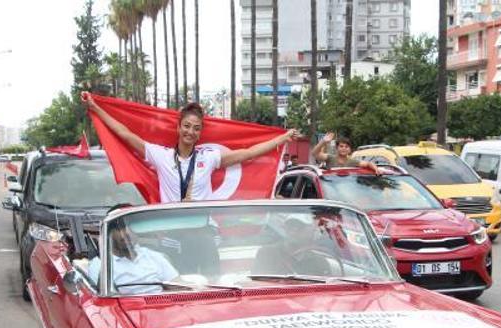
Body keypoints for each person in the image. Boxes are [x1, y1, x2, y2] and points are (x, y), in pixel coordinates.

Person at [82, 93, 299, 203]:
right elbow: (125, 134)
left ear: (200, 133)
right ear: (178, 128)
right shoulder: (162, 156)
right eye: (186, 126)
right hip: (171, 230)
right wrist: (96, 107)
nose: (190, 132)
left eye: (196, 128)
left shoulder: (209, 158)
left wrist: (282, 138)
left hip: (202, 229)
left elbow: (248, 153)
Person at [88, 223, 180, 295]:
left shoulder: (152, 256)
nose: (127, 233)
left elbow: (178, 286)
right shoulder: (99, 265)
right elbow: (103, 303)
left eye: (131, 227)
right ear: (108, 234)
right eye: (120, 228)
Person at [252, 217, 332, 276]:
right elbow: (258, 284)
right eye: (290, 226)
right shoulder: (267, 254)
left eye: (300, 227)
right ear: (285, 229)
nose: (293, 230)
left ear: (312, 231)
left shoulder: (319, 261)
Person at [311, 132, 381, 173]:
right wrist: (323, 141)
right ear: (336, 148)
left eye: (346, 147)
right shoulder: (330, 158)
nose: (344, 148)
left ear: (350, 150)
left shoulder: (353, 161)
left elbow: (368, 164)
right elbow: (314, 153)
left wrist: (376, 169)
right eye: (341, 146)